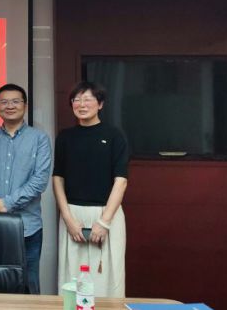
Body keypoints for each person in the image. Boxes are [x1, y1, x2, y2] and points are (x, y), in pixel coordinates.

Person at [53, 81, 128, 297]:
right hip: (72, 214)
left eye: (87, 99)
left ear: (100, 104)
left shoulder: (114, 136)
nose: (81, 104)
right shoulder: (65, 137)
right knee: (71, 277)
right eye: (76, 100)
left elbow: (121, 181)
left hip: (107, 214)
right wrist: (67, 218)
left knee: (108, 277)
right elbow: (58, 178)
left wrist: (104, 222)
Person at [0, 83, 52, 294]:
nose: (10, 106)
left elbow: (40, 180)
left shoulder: (39, 139)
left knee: (28, 283)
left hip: (27, 226)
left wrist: (7, 203)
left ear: (25, 106)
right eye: (4, 102)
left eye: (15, 101)